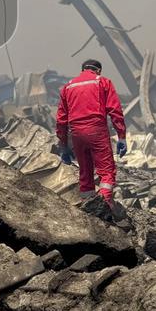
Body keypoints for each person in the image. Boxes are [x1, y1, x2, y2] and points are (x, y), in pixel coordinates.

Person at [56, 58, 127, 203]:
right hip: (97, 131)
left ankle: (88, 206)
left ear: (82, 70)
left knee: (85, 174)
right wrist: (121, 136)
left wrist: (63, 145)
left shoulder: (68, 87)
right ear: (98, 70)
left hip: (77, 134)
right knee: (106, 173)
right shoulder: (103, 82)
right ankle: (105, 204)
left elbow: (61, 120)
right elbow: (115, 111)